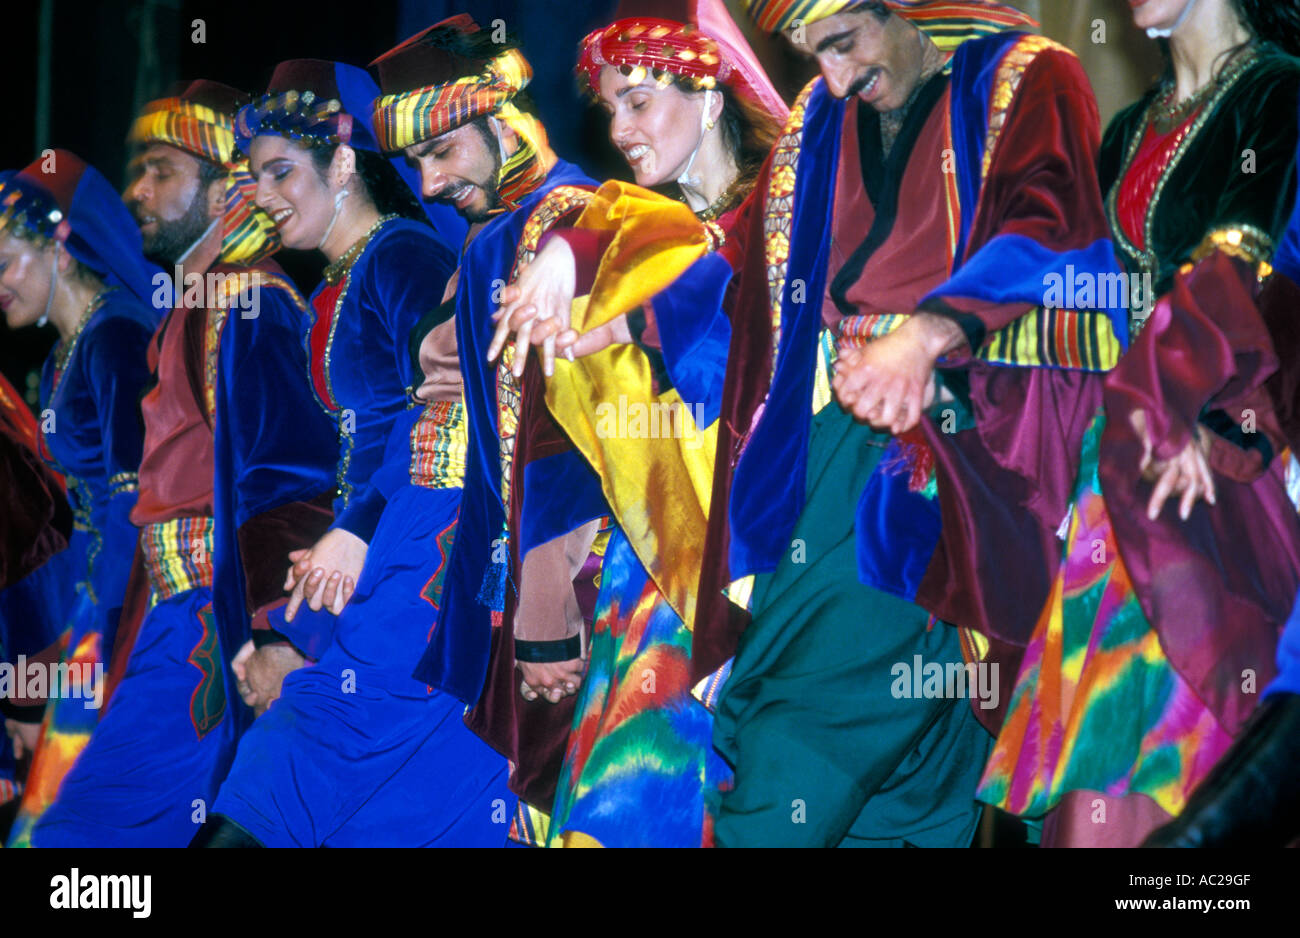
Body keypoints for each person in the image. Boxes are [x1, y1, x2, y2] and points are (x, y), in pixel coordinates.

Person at [652, 0, 1126, 847]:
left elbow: (1050, 228)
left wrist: (928, 333)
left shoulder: (1026, 75)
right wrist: (607, 303)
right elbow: (743, 263)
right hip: (841, 444)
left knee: (800, 722)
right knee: (904, 776)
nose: (833, 77)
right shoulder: (823, 113)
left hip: (966, 447)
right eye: (813, 55)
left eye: (843, 43)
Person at [977, 0, 1300, 847]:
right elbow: (1077, 299)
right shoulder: (1127, 129)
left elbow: (1245, 274)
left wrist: (1181, 403)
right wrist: (952, 337)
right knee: (1098, 749)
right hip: (1113, 463)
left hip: (1207, 451)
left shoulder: (1276, 94)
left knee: (1163, 745)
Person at [488, 0, 786, 847]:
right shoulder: (629, 231)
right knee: (619, 803)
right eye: (610, 106)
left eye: (640, 99)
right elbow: (562, 437)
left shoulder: (773, 220)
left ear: (713, 95)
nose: (620, 128)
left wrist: (581, 265)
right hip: (647, 576)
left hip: (756, 567)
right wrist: (548, 593)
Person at [15, 81, 337, 847]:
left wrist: (272, 634)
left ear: (228, 182)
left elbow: (290, 476)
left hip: (206, 621)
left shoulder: (248, 298)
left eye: (161, 169)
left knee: (82, 838)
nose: (136, 190)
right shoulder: (193, 305)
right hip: (169, 613)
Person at [196, 53, 506, 848]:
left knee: (293, 762)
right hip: (382, 550)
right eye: (252, 178)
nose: (262, 197)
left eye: (280, 173)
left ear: (342, 163)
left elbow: (456, 408)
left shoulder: (402, 258)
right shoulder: (344, 278)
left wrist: (357, 530)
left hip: (425, 554)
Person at [0, 152, 158, 845]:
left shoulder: (116, 337)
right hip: (91, 618)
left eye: (5, 262)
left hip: (124, 620)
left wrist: (113, 646)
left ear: (59, 249)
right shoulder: (65, 354)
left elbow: (133, 506)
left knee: (68, 825)